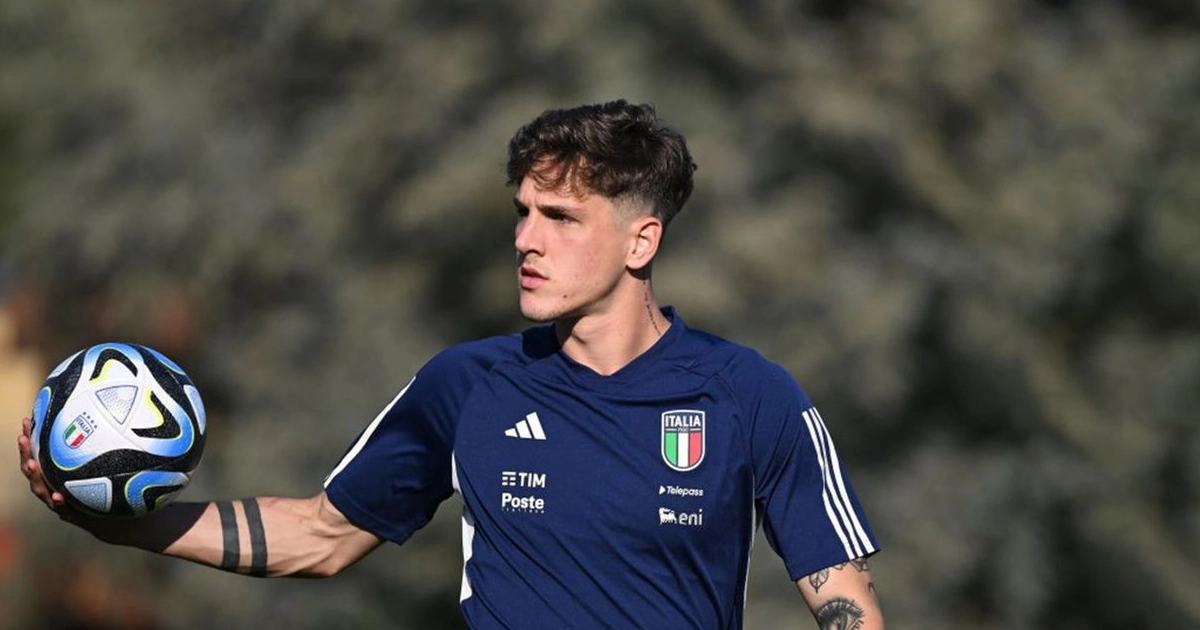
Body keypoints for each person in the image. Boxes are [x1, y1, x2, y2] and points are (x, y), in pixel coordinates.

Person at [19, 100, 884, 629]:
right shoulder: (467, 386)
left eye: (561, 217)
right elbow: (319, 537)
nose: (525, 239)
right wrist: (117, 526)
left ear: (641, 240)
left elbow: (844, 602)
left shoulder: (750, 397)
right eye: (521, 212)